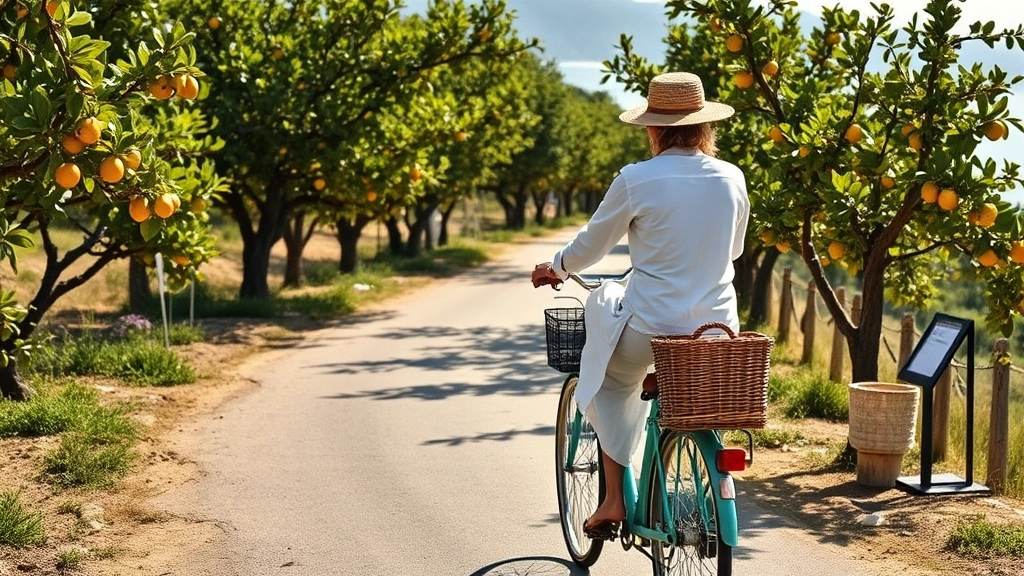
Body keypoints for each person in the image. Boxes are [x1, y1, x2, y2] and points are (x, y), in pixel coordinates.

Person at [531, 72, 749, 540]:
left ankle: (612, 499)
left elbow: (590, 246)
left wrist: (558, 267)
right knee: (655, 363)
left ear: (653, 129)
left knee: (609, 377)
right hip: (716, 330)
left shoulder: (636, 178)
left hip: (651, 326)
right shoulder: (732, 176)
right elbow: (733, 251)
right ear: (703, 127)